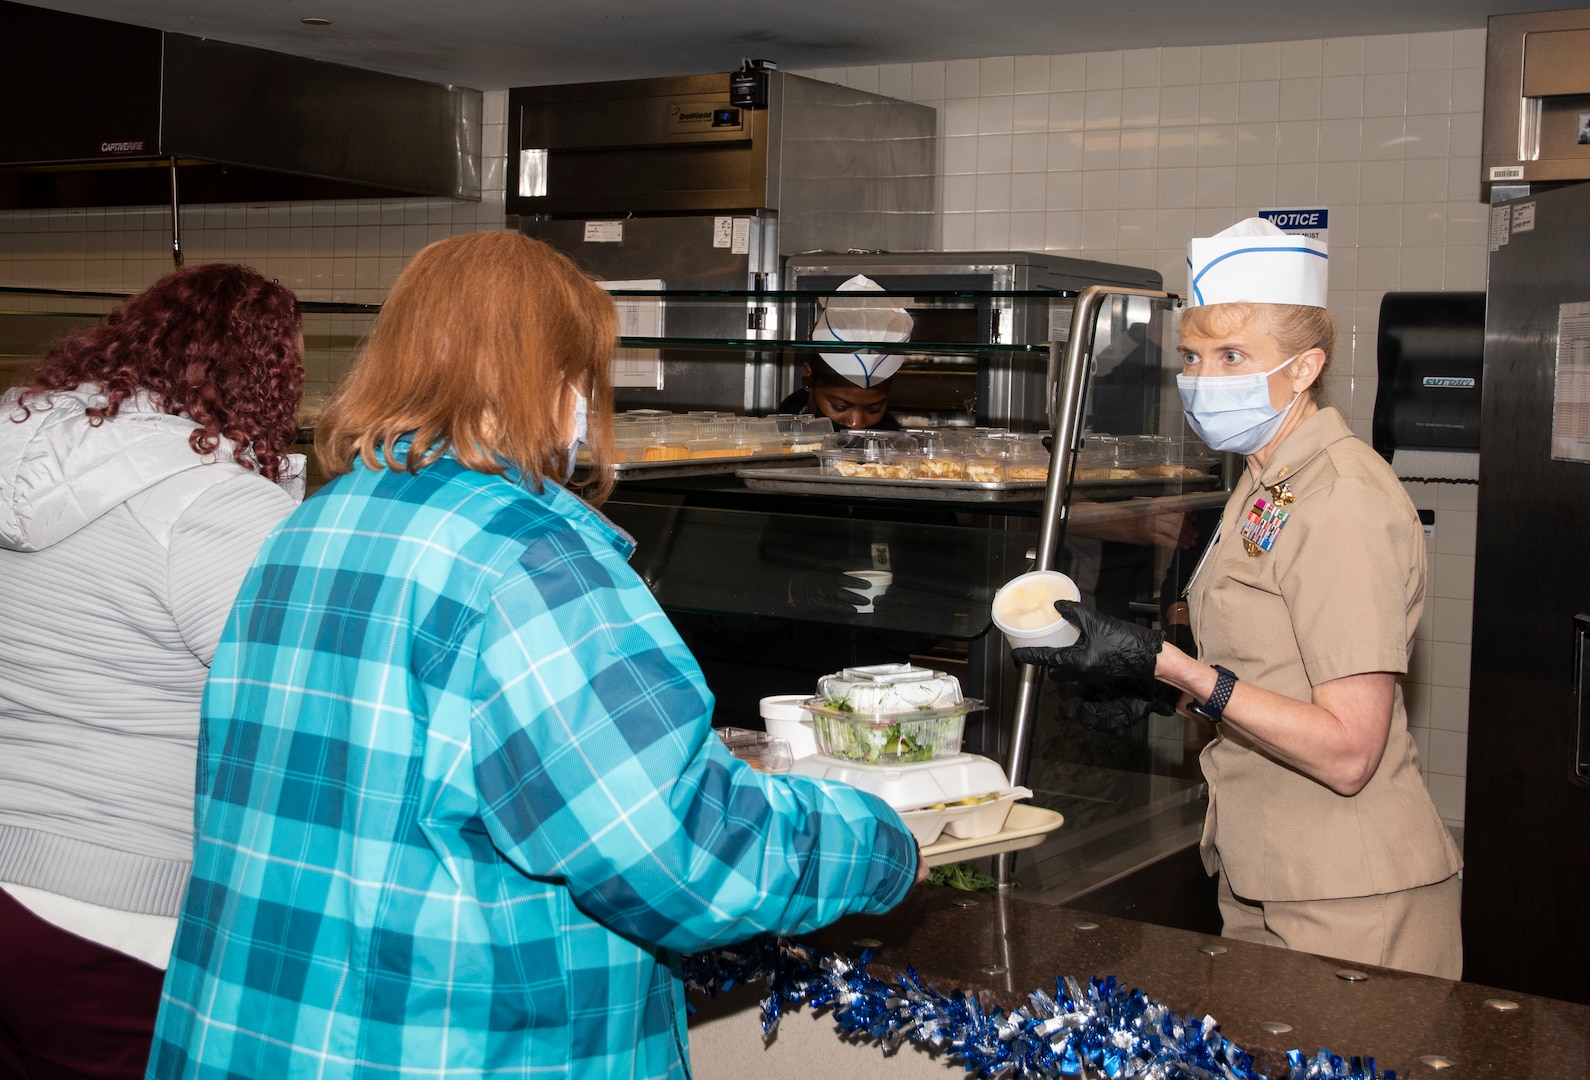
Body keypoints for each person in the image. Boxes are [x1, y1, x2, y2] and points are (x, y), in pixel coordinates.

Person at [145, 230, 922, 1079]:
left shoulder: (308, 525)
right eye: (585, 371)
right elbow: (671, 851)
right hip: (445, 1044)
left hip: (264, 1031)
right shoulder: (531, 559)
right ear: (548, 375)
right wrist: (881, 843)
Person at [1014, 218, 1463, 979]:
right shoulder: (1266, 481)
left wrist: (1180, 670)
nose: (1203, 379)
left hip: (1350, 899)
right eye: (1191, 356)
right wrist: (1156, 686)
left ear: (1304, 366)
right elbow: (1270, 675)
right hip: (1264, 875)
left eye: (1232, 356)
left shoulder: (1343, 499)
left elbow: (1350, 750)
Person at [0, 264, 304, 1079]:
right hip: (113, 903)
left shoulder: (14, 447)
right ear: (267, 377)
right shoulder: (218, 508)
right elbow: (294, 711)